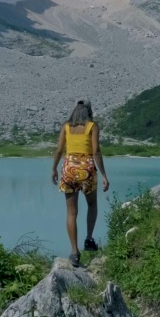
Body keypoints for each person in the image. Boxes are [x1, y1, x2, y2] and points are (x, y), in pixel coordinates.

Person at [51, 100, 109, 266]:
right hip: (86, 168)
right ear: (89, 112)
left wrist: (54, 169)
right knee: (92, 204)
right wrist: (104, 174)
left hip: (68, 168)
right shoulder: (92, 126)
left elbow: (59, 150)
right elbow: (96, 150)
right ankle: (89, 239)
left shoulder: (66, 127)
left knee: (71, 212)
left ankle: (74, 253)